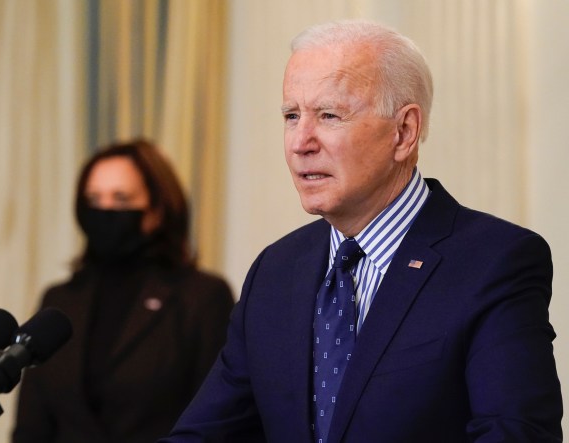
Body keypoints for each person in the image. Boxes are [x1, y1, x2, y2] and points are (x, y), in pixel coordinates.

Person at [160, 20, 562, 443]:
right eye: (291, 115)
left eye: (329, 115)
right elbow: (205, 434)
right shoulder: (275, 272)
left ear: (404, 132)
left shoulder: (494, 262)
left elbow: (516, 434)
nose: (301, 141)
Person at [12, 139, 235, 442]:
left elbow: (217, 422)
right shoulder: (59, 301)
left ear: (156, 210)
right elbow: (31, 427)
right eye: (93, 199)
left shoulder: (201, 297)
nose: (105, 211)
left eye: (121, 199)